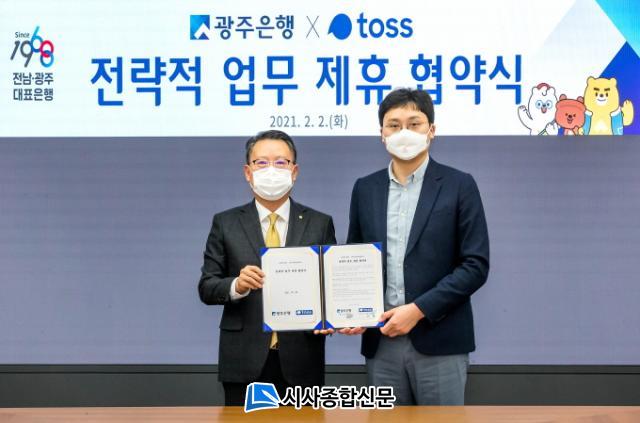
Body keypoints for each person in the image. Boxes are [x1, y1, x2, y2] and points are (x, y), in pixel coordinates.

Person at [341, 88, 490, 405]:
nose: (403, 133)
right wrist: (352, 309)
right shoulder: (365, 188)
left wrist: (418, 310)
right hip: (381, 341)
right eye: (394, 125)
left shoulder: (459, 185)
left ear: (431, 130)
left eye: (414, 123)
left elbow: (475, 265)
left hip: (440, 338)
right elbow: (356, 258)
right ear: (382, 134)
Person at [198, 130, 336, 406]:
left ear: (294, 171)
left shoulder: (319, 223)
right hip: (243, 358)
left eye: (281, 162)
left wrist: (329, 317)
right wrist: (237, 285)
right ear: (248, 173)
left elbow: (329, 288)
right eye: (261, 163)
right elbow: (207, 287)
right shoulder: (226, 223)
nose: (271, 170)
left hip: (302, 359)